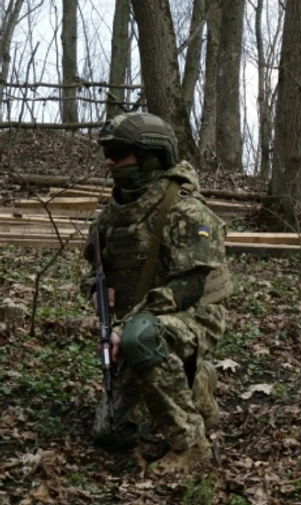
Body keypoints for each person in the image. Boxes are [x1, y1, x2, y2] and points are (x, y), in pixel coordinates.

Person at [81, 112, 233, 473]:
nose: (109, 162)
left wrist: (126, 326)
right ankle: (195, 384)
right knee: (111, 433)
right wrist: (95, 291)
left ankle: (191, 444)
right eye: (107, 153)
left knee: (142, 337)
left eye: (119, 153)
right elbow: (93, 271)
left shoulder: (187, 211)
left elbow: (189, 288)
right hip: (139, 323)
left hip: (193, 315)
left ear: (151, 156)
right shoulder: (113, 216)